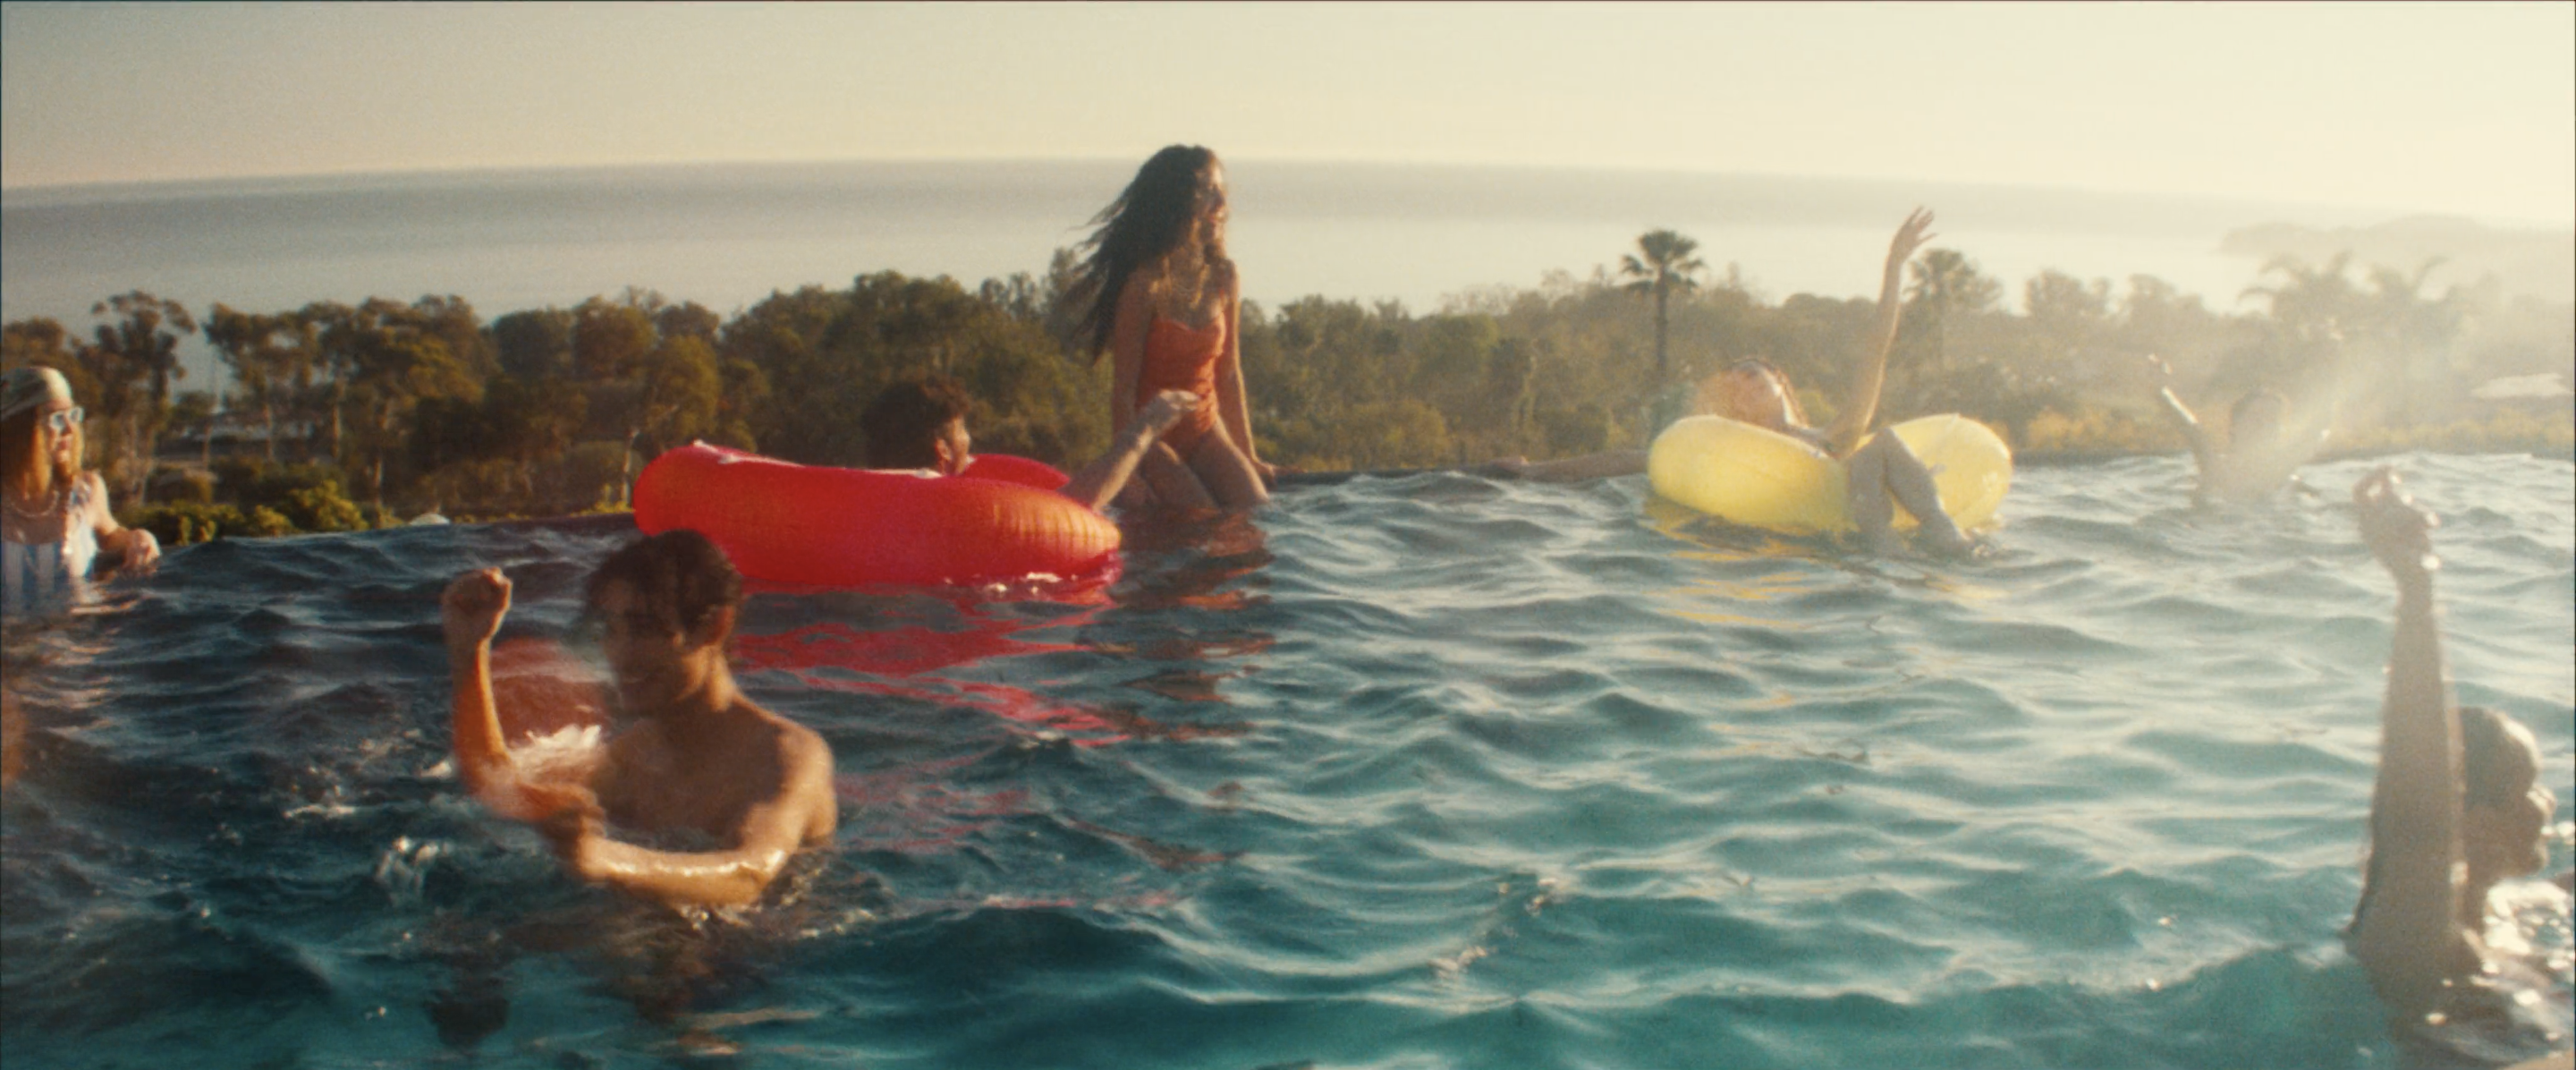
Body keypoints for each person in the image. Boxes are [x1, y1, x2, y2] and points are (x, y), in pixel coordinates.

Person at [1496, 209, 1970, 556]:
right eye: (1735, 386)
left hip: (1856, 529)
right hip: (1811, 553)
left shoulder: (1832, 436)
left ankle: (1945, 540)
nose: (1744, 382)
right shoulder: (1732, 452)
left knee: (1879, 444)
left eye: (1751, 373)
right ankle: (1892, 554)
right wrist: (1535, 472)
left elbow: (1876, 350)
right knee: (1872, 451)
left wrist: (1894, 267)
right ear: (1737, 409)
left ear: (1778, 380)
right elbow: (1628, 460)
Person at [441, 530, 835, 908]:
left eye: (644, 630)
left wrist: (602, 857)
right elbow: (501, 785)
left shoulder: (787, 755)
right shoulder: (633, 755)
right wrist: (469, 650)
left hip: (756, 946)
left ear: (715, 626)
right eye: (610, 631)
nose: (621, 655)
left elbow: (749, 874)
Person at [2347, 468, 2568, 1059]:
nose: (2548, 802)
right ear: (2474, 822)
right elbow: (2417, 817)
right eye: (2529, 787)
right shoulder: (2415, 940)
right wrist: (2416, 593)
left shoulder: (2505, 908)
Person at [1067, 144, 1274, 510]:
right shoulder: (1144, 286)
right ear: (1177, 203)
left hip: (1206, 430)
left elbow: (1229, 374)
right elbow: (1123, 391)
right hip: (1153, 440)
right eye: (1208, 192)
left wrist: (1250, 457)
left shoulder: (1223, 277)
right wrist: (1129, 475)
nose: (1221, 203)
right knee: (1204, 521)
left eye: (1221, 191)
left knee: (1258, 514)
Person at [859, 374, 1201, 514]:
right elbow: (1073, 504)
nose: (970, 442)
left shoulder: (872, 501)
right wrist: (1145, 428)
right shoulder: (951, 504)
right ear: (942, 450)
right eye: (962, 430)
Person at [2, 366, 158, 615]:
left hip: (82, 636)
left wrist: (138, 537)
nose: (70, 429)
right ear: (18, 429)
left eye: (73, 415)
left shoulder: (86, 491)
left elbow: (111, 535)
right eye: (56, 418)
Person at [2148, 354, 2331, 503]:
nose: (2263, 426)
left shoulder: (2283, 474)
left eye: (2272, 421)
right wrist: (2161, 391)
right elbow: (2193, 430)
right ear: (2235, 426)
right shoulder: (2217, 468)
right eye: (2256, 418)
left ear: (2280, 431)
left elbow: (2316, 433)